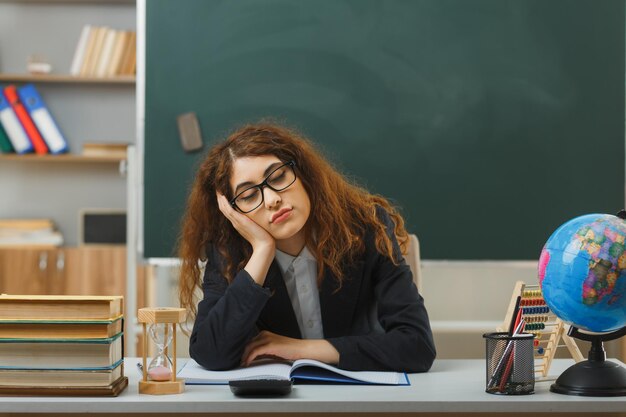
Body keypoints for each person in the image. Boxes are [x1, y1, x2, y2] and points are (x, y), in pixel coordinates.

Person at [178, 122, 436, 372]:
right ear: (233, 212)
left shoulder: (367, 228)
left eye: (278, 177)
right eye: (248, 196)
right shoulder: (228, 252)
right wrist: (262, 251)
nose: (272, 199)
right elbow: (209, 353)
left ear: (302, 174)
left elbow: (417, 345)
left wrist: (302, 349)